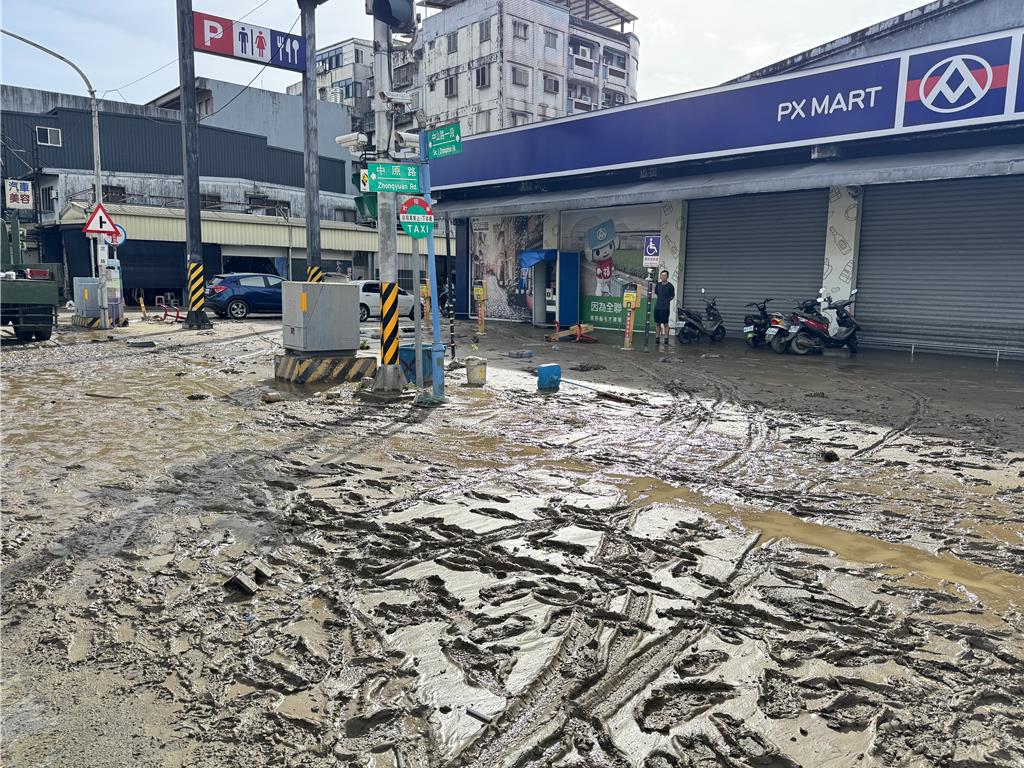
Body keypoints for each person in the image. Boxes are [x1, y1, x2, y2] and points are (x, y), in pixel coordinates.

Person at [653, 270, 674, 349]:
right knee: (657, 323)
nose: (663, 277)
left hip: (665, 308)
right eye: (662, 275)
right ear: (660, 276)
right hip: (657, 307)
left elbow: (672, 296)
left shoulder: (670, 286)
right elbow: (656, 293)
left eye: (665, 275)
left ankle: (666, 340)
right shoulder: (658, 285)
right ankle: (657, 339)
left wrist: (666, 301)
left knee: (665, 324)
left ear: (667, 276)